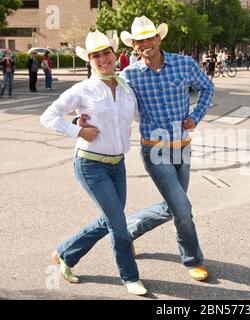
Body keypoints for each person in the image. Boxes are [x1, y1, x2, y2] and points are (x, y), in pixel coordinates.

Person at [40, 30, 148, 296]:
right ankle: (130, 276)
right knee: (118, 224)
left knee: (111, 219)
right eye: (96, 55)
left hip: (117, 164)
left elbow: (139, 118)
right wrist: (78, 129)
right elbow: (49, 116)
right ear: (89, 60)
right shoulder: (83, 89)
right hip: (90, 165)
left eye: (106, 53)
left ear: (115, 55)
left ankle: (65, 253)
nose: (102, 59)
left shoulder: (126, 88)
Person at [117, 16, 214, 282]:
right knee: (182, 208)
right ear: (134, 45)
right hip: (154, 148)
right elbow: (110, 100)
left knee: (174, 206)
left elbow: (207, 87)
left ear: (159, 38)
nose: (146, 43)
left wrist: (196, 116)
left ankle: (127, 231)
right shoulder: (130, 74)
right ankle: (193, 259)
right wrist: (80, 118)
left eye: (150, 37)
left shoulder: (184, 64)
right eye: (140, 41)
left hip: (182, 146)